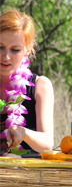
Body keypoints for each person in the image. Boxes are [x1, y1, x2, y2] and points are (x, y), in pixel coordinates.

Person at [0, 10, 54, 156]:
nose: (6, 56)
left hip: (28, 170)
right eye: (0, 47)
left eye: (15, 50)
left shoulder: (41, 86)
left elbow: (47, 143)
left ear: (27, 50)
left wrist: (23, 133)